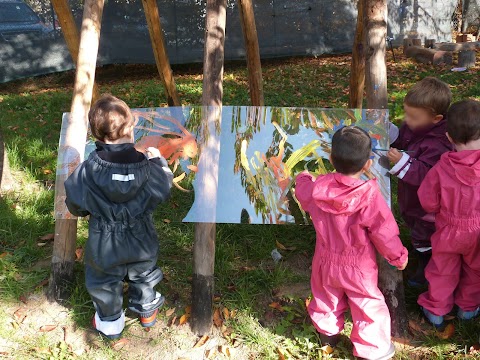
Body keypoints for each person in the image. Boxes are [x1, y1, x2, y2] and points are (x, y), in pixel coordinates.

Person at [65, 94, 173, 339]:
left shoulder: (87, 170)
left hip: (104, 239)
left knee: (103, 279)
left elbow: (75, 203)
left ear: (96, 136)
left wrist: (84, 210)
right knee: (143, 272)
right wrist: (159, 162)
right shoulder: (148, 166)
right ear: (131, 129)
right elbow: (163, 189)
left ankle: (111, 320)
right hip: (141, 235)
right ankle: (146, 310)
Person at [295, 126, 408, 360]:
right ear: (367, 164)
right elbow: (383, 231)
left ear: (330, 158)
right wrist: (398, 257)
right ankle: (372, 349)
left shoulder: (318, 189)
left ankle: (327, 333)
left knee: (326, 295)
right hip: (358, 265)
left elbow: (302, 192)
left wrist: (303, 177)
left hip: (325, 259)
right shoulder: (369, 196)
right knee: (367, 303)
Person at [417, 99, 480, 328]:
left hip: (448, 230)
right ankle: (468, 308)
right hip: (477, 232)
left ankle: (436, 309)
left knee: (442, 269)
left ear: (449, 138)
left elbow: (427, 201)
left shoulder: (440, 169)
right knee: (475, 270)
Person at [387, 77, 453, 286]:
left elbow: (429, 175)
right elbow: (404, 141)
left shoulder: (439, 142)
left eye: (413, 116)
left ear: (436, 118)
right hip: (412, 196)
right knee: (413, 222)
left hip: (428, 206)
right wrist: (390, 135)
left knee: (426, 230)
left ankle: (427, 264)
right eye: (406, 113)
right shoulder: (415, 125)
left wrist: (404, 161)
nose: (407, 120)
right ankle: (420, 248)